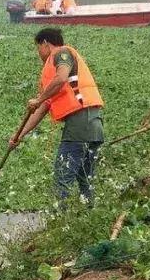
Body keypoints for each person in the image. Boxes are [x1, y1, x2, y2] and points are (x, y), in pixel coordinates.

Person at [9, 28, 105, 206]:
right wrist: (19, 135)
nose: (38, 52)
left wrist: (39, 98)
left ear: (45, 43)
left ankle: (58, 219)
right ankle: (88, 213)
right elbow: (42, 107)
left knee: (63, 176)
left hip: (81, 122)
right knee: (85, 177)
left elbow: (61, 77)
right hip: (93, 124)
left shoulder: (61, 53)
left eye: (38, 47)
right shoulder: (49, 79)